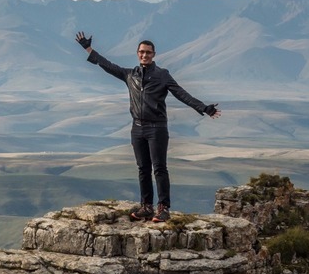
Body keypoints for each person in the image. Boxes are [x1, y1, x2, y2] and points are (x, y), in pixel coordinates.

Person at [75, 31, 220, 222]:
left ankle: (163, 208)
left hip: (157, 128)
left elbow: (181, 94)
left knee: (159, 168)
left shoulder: (162, 75)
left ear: (154, 55)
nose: (145, 55)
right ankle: (146, 206)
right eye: (142, 52)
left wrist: (204, 108)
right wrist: (88, 48)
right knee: (143, 168)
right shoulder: (129, 75)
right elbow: (107, 65)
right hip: (137, 128)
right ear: (137, 53)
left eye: (148, 52)